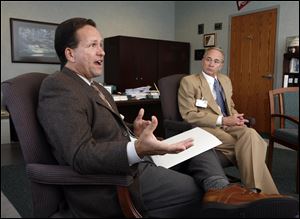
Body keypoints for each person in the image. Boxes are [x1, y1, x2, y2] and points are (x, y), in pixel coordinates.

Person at [37, 18, 298, 218]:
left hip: (141, 158)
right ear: (70, 54)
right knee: (197, 190)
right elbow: (80, 154)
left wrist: (134, 131)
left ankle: (225, 192)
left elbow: (108, 129)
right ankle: (227, 200)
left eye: (102, 45)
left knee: (198, 143)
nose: (102, 52)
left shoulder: (98, 87)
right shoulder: (58, 86)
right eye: (93, 45)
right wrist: (136, 148)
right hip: (120, 178)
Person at [178, 47, 278, 195]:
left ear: (221, 65)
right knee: (251, 145)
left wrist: (237, 118)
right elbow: (188, 114)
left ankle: (253, 191)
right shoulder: (189, 81)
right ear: (202, 61)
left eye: (216, 61)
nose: (211, 64)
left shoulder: (225, 80)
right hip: (207, 126)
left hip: (229, 123)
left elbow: (230, 105)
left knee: (250, 134)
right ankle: (264, 194)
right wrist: (223, 120)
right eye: (208, 59)